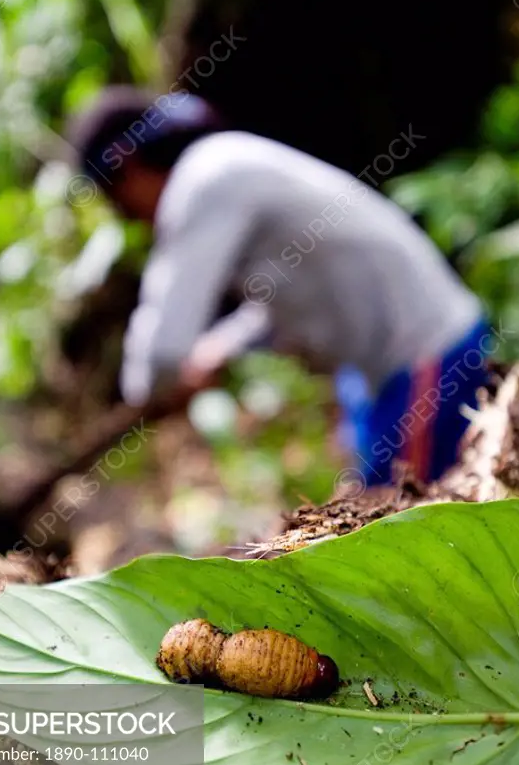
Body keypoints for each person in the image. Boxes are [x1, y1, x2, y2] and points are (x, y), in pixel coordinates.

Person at [67, 86, 491, 485]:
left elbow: (161, 355)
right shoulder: (226, 165)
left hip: (426, 356)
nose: (126, 215)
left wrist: (151, 388)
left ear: (126, 168)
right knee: (374, 515)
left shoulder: (204, 182)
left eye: (115, 199)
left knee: (403, 531)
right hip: (379, 371)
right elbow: (278, 300)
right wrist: (222, 349)